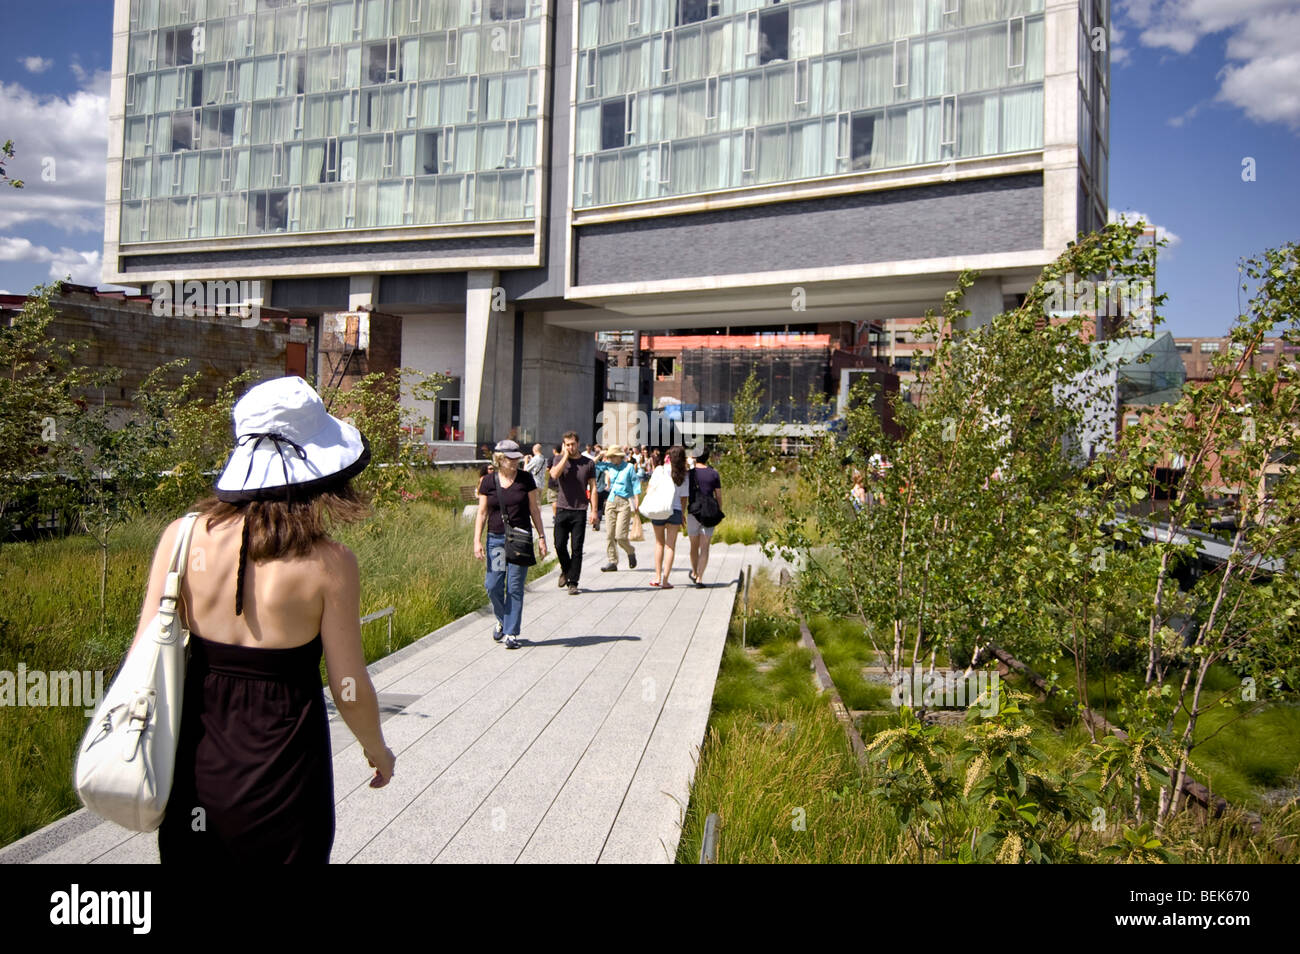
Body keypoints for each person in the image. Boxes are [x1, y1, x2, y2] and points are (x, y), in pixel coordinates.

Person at [138, 375, 394, 863]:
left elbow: (144, 654)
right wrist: (376, 748)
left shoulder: (181, 538)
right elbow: (348, 685)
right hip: (287, 775)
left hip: (193, 769)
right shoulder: (329, 563)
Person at [474, 439, 547, 649]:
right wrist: (476, 540)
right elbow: (482, 512)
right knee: (493, 585)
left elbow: (534, 509)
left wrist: (542, 537)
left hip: (520, 540)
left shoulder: (526, 479)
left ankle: (511, 633)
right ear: (499, 459)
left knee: (515, 587)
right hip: (496, 539)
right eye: (510, 459)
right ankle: (502, 619)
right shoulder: (488, 481)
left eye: (517, 458)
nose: (515, 462)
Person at [549, 431, 597, 595]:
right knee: (559, 544)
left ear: (578, 444)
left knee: (577, 548)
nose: (570, 447)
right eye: (567, 444)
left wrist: (594, 511)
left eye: (573, 444)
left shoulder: (588, 463)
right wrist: (564, 457)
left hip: (580, 510)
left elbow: (593, 488)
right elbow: (554, 475)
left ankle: (573, 582)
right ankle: (566, 569)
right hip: (562, 508)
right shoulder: (558, 459)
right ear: (564, 445)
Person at [648, 445, 690, 588]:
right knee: (670, 546)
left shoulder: (660, 470)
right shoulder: (684, 475)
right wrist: (683, 514)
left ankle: (657, 576)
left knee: (659, 543)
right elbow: (684, 498)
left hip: (659, 509)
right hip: (676, 510)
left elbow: (649, 488)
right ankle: (666, 580)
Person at [596, 444, 641, 572]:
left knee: (620, 536)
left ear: (618, 456)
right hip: (610, 502)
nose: (609, 459)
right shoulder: (609, 466)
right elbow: (592, 465)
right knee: (610, 534)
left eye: (612, 456)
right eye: (609, 456)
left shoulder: (629, 467)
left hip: (624, 503)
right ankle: (612, 562)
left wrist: (637, 501)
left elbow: (635, 484)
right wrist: (600, 454)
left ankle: (630, 551)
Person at [686, 447, 722, 589]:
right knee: (705, 547)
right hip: (709, 512)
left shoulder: (690, 474)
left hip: (693, 511)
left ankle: (694, 572)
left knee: (693, 545)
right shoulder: (714, 473)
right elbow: (718, 495)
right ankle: (700, 578)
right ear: (708, 457)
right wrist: (719, 510)